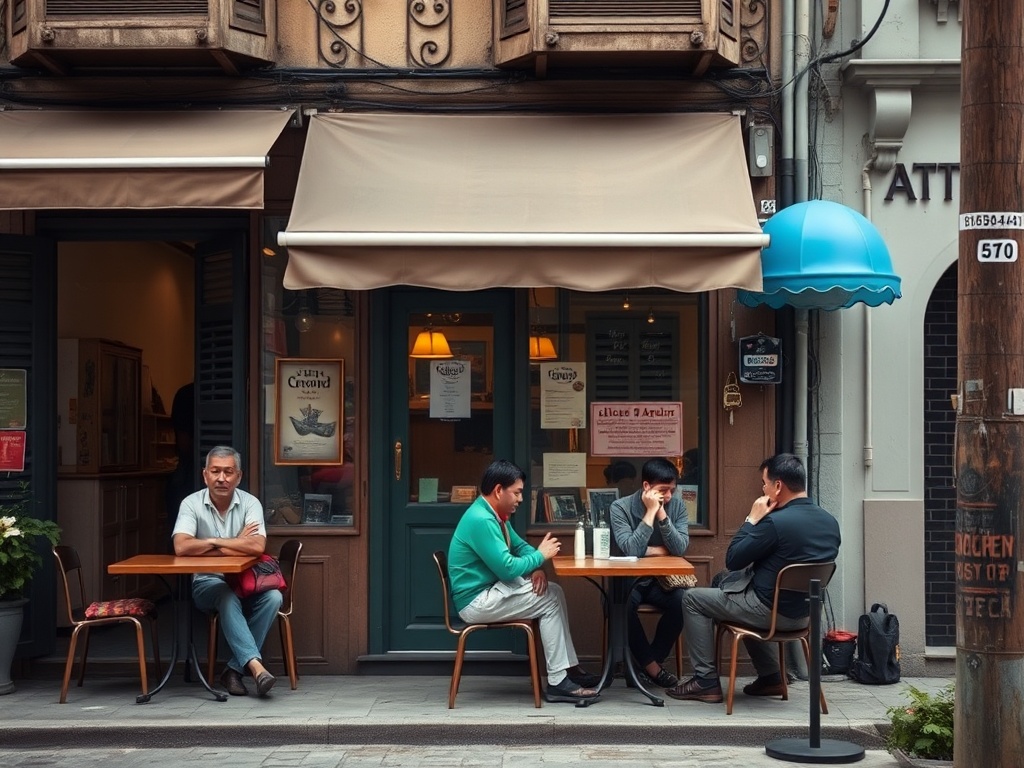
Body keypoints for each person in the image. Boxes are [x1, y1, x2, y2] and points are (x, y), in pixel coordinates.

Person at [666, 453, 841, 703]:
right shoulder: (830, 522)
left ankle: (705, 681)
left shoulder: (775, 523)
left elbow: (734, 558)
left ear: (778, 486)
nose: (763, 489)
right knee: (724, 581)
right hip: (805, 615)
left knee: (692, 598)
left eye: (764, 483)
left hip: (768, 612)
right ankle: (771, 677)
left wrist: (752, 519)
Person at [448, 459, 602, 704]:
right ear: (499, 490)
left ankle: (568, 669)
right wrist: (540, 556)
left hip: (488, 592)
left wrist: (537, 567)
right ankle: (558, 681)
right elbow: (508, 568)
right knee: (550, 599)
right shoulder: (482, 520)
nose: (520, 499)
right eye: (517, 492)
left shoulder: (495, 515)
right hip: (476, 602)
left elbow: (520, 547)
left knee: (553, 591)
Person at [172, 445, 282, 698]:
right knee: (225, 595)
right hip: (206, 582)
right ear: (205, 475)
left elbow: (257, 546)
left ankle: (233, 670)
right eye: (215, 471)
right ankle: (256, 668)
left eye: (228, 472)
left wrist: (213, 542)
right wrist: (234, 542)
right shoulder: (191, 504)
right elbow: (182, 546)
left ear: (238, 476)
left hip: (246, 581)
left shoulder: (250, 503)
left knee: (274, 597)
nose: (221, 478)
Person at [608, 457, 689, 689]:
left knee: (684, 601)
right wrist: (651, 512)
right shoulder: (620, 507)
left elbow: (680, 548)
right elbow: (631, 549)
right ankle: (654, 670)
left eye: (672, 490)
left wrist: (662, 515)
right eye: (663, 490)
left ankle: (647, 665)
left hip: (661, 581)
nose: (669, 496)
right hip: (628, 579)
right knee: (619, 604)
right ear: (646, 486)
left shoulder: (678, 506)